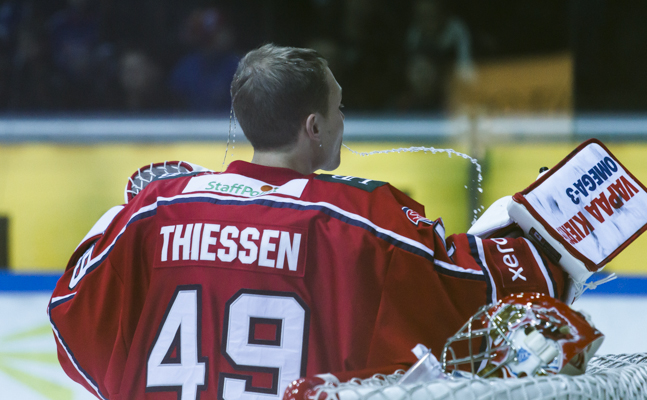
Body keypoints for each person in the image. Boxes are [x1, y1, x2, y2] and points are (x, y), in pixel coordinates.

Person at [49, 44, 568, 400]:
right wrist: (546, 240)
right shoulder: (360, 217)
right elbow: (469, 296)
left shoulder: (158, 208)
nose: (344, 121)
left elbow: (72, 311)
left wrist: (118, 215)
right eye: (339, 108)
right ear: (314, 125)